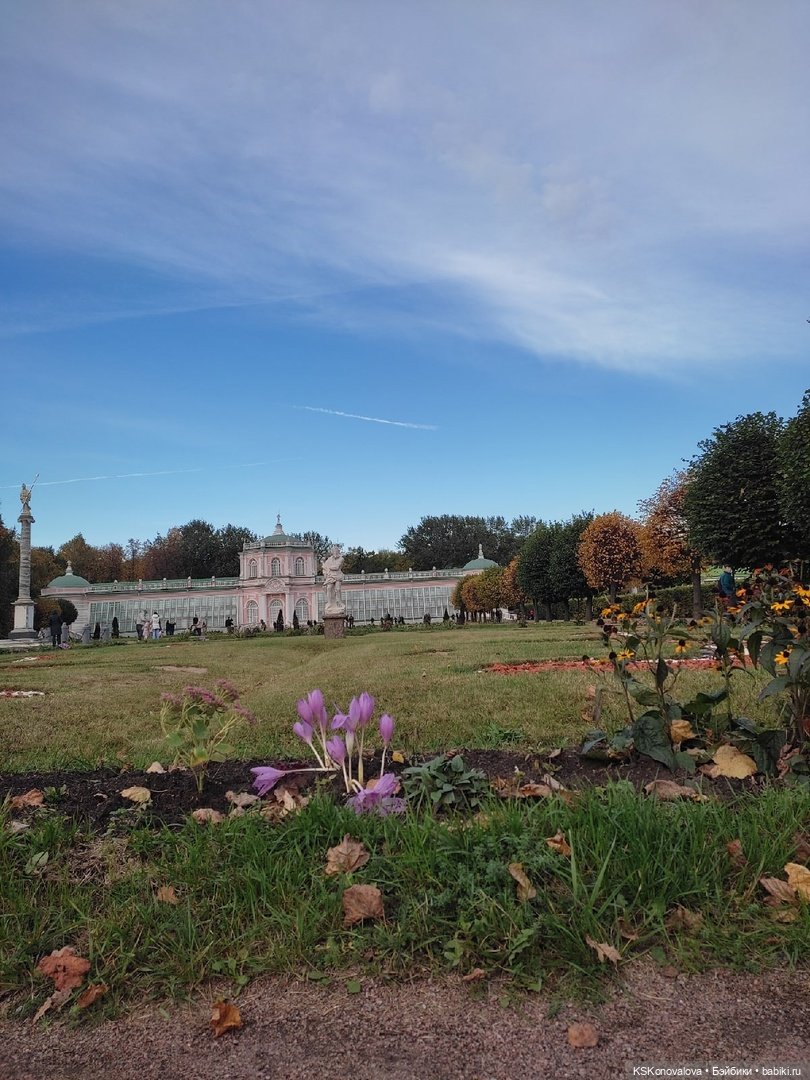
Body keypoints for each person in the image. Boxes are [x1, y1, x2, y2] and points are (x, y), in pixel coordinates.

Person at [321, 545, 345, 613]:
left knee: (338, 589)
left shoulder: (341, 558)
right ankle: (330, 603)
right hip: (331, 576)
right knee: (328, 588)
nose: (335, 552)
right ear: (332, 552)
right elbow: (325, 567)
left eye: (336, 550)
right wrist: (325, 567)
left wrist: (329, 567)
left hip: (338, 576)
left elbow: (336, 567)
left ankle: (339, 602)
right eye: (333, 551)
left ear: (338, 551)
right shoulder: (330, 559)